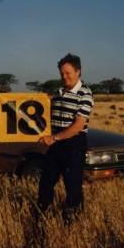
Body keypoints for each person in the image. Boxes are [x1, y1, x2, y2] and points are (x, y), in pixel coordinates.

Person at [37, 53, 94, 222]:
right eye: (62, 73)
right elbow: (39, 108)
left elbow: (77, 126)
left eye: (68, 73)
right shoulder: (58, 92)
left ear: (78, 72)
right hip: (56, 145)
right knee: (46, 182)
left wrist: (53, 138)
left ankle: (71, 221)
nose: (64, 77)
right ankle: (41, 215)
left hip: (73, 144)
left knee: (73, 185)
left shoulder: (85, 93)